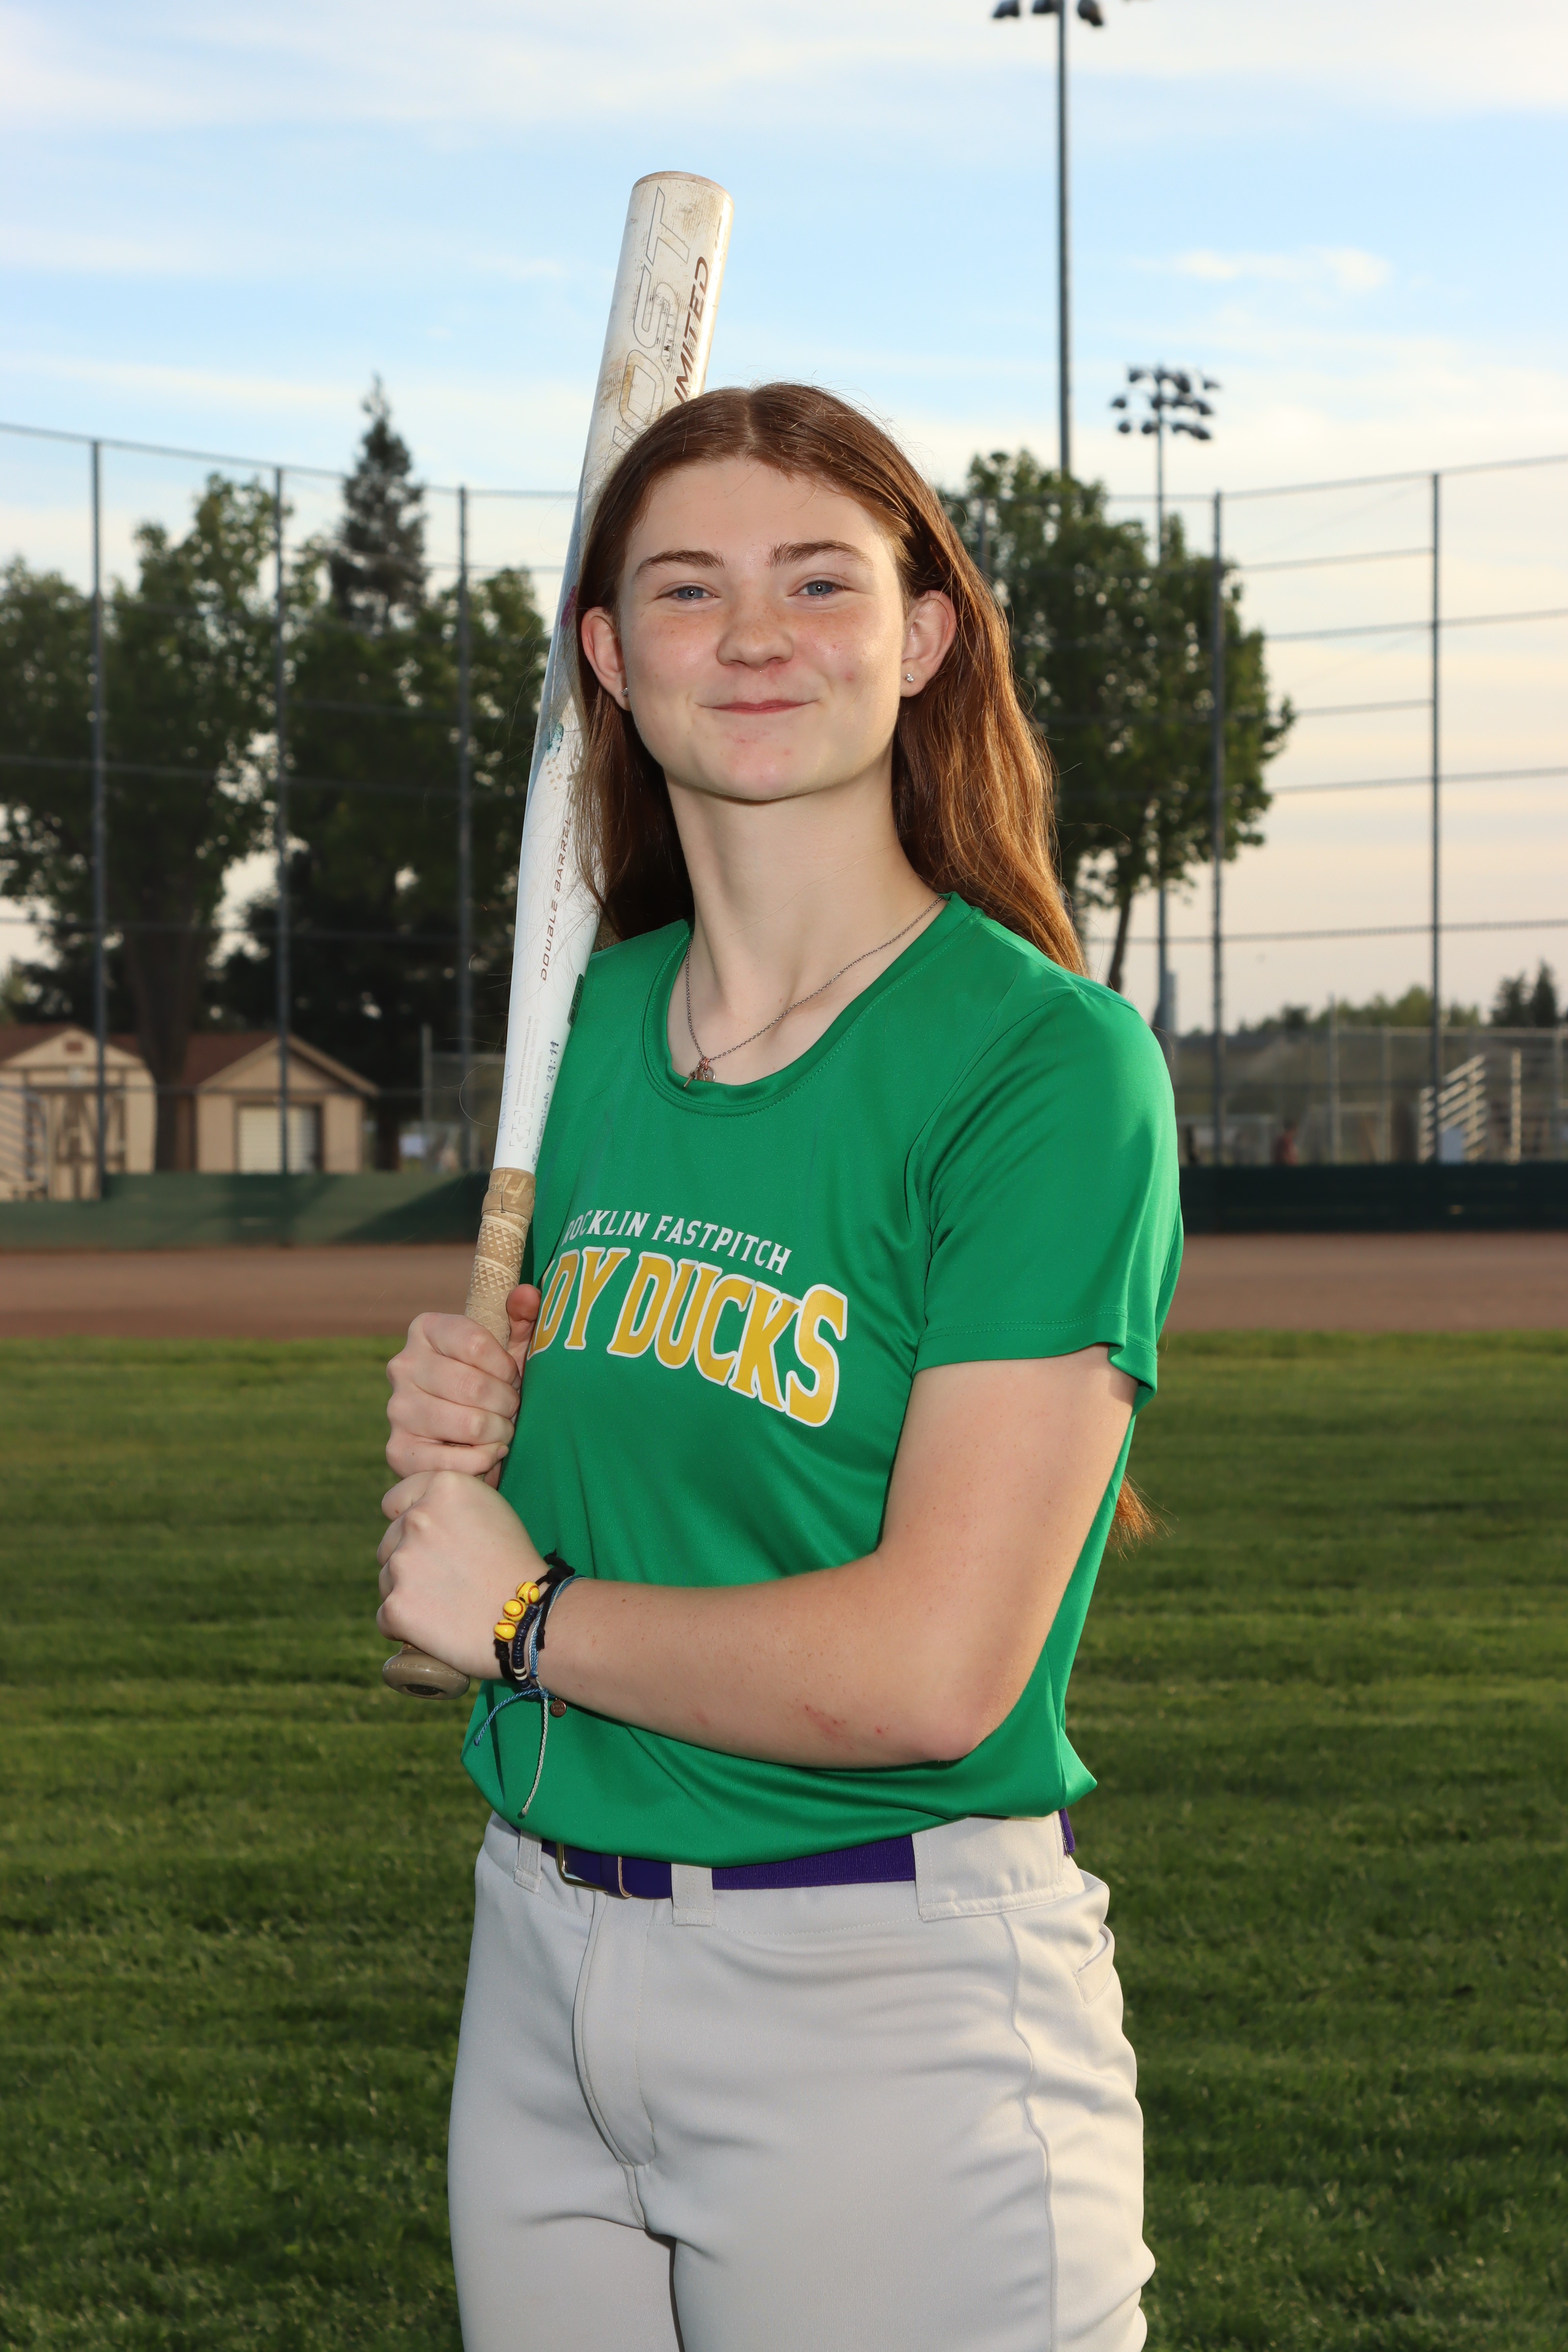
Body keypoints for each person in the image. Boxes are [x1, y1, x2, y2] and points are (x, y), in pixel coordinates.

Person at [377, 384, 1180, 2352]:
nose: (752, 634)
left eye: (819, 581)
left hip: (879, 1996)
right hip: (538, 1953)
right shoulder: (586, 1030)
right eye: (686, 588)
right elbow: (456, 1614)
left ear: (921, 641)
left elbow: (932, 1671)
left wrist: (527, 1615)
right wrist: (464, 1468)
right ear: (606, 658)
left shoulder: (1041, 1067)